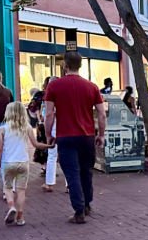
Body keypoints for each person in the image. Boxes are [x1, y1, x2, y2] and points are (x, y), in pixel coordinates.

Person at [44, 51, 106, 224]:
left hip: (66, 136)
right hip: (86, 136)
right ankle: (87, 204)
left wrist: (49, 134)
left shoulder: (54, 87)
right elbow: (101, 114)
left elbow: (49, 114)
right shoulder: (91, 87)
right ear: (80, 65)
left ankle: (79, 210)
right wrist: (101, 134)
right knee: (86, 171)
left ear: (65, 65)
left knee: (72, 173)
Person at [0, 102, 50, 227]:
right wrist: (49, 146)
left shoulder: (3, 128)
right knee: (21, 191)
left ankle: (11, 207)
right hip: (23, 162)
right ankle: (20, 216)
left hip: (8, 163)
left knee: (8, 188)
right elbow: (36, 144)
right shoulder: (27, 127)